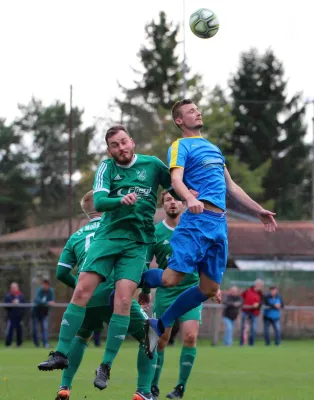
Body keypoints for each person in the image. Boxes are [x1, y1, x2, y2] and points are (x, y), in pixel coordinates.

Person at [38, 126, 175, 394]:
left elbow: (176, 187)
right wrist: (119, 200)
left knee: (120, 300)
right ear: (109, 149)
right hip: (109, 238)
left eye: (124, 142)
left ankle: (95, 371)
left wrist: (195, 198)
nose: (121, 148)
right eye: (115, 145)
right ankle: (63, 355)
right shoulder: (107, 168)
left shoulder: (153, 165)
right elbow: (100, 200)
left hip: (135, 243)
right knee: (85, 293)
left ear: (132, 142)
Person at [142, 99, 277, 356]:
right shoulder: (180, 145)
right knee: (171, 279)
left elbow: (232, 187)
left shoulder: (214, 149)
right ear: (179, 121)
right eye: (191, 111)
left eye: (197, 109)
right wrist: (189, 198)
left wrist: (257, 209)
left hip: (219, 225)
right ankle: (132, 277)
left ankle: (158, 324)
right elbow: (175, 179)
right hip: (196, 221)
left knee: (209, 289)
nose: (198, 112)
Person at [47, 191, 158, 400]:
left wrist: (82, 289)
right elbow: (138, 265)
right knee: (151, 335)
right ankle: (143, 391)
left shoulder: (76, 236)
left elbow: (61, 272)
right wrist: (144, 291)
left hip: (86, 298)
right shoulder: (118, 230)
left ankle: (64, 387)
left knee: (81, 336)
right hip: (115, 294)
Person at [145, 191, 201, 400]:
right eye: (168, 199)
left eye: (177, 199)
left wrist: (214, 286)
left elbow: (205, 258)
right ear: (163, 205)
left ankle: (180, 388)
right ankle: (153, 386)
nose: (173, 202)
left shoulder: (194, 229)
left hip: (192, 289)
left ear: (184, 203)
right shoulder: (156, 232)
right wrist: (143, 291)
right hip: (166, 292)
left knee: (190, 336)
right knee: (160, 340)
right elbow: (145, 262)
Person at [240, 279, 264, 346]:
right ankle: (242, 343)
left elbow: (261, 304)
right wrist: (244, 306)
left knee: (253, 329)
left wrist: (257, 305)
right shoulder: (247, 291)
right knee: (243, 329)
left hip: (254, 313)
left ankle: (252, 344)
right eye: (259, 285)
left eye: (261, 285)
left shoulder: (261, 294)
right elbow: (241, 299)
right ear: (256, 284)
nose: (260, 286)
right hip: (245, 312)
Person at [32, 279, 55, 348]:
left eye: (46, 285)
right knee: (34, 329)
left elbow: (52, 301)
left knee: (44, 328)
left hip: (44, 313)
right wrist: (47, 303)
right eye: (44, 284)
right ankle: (36, 344)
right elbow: (37, 300)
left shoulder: (50, 291)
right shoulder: (39, 290)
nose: (45, 286)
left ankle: (45, 344)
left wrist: (49, 303)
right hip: (35, 313)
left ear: (48, 285)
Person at [4, 282, 26, 347]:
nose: (14, 289)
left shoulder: (21, 296)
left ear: (17, 288)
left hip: (19, 317)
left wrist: (22, 314)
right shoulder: (8, 296)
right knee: (10, 330)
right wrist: (12, 303)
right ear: (10, 288)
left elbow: (24, 306)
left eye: (15, 287)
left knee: (19, 330)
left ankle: (19, 344)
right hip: (11, 317)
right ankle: (8, 344)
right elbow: (6, 306)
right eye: (12, 287)